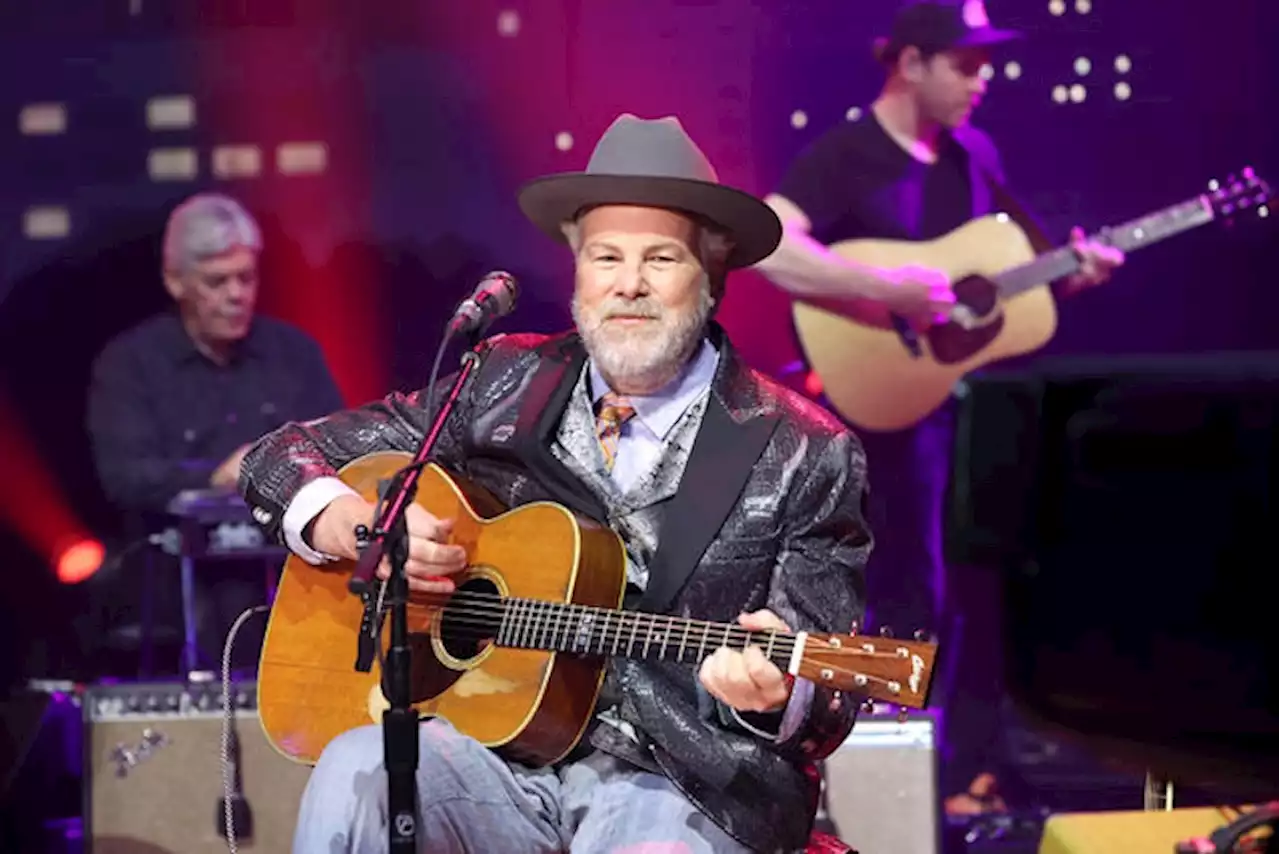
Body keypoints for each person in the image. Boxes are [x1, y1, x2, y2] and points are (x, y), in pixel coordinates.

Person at [238, 114, 872, 854]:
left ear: (713, 266)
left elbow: (830, 698)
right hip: (496, 756)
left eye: (660, 259)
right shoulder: (500, 380)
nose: (628, 285)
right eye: (605, 257)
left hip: (684, 782)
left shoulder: (805, 449)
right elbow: (280, 456)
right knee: (360, 766)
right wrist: (358, 527)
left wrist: (779, 698)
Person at [753, 0, 1124, 814]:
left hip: (967, 419)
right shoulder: (846, 154)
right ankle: (868, 783)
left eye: (986, 63)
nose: (982, 80)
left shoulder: (975, 153)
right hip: (881, 423)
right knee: (901, 589)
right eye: (966, 62)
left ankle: (964, 776)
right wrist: (883, 287)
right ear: (910, 63)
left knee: (982, 589)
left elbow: (1008, 269)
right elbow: (771, 240)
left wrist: (1075, 266)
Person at [86, 192, 344, 673]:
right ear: (175, 281)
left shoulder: (294, 355)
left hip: (296, 587)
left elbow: (343, 454)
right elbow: (124, 477)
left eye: (246, 277)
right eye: (217, 281)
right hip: (169, 593)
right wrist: (217, 478)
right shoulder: (130, 364)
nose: (236, 294)